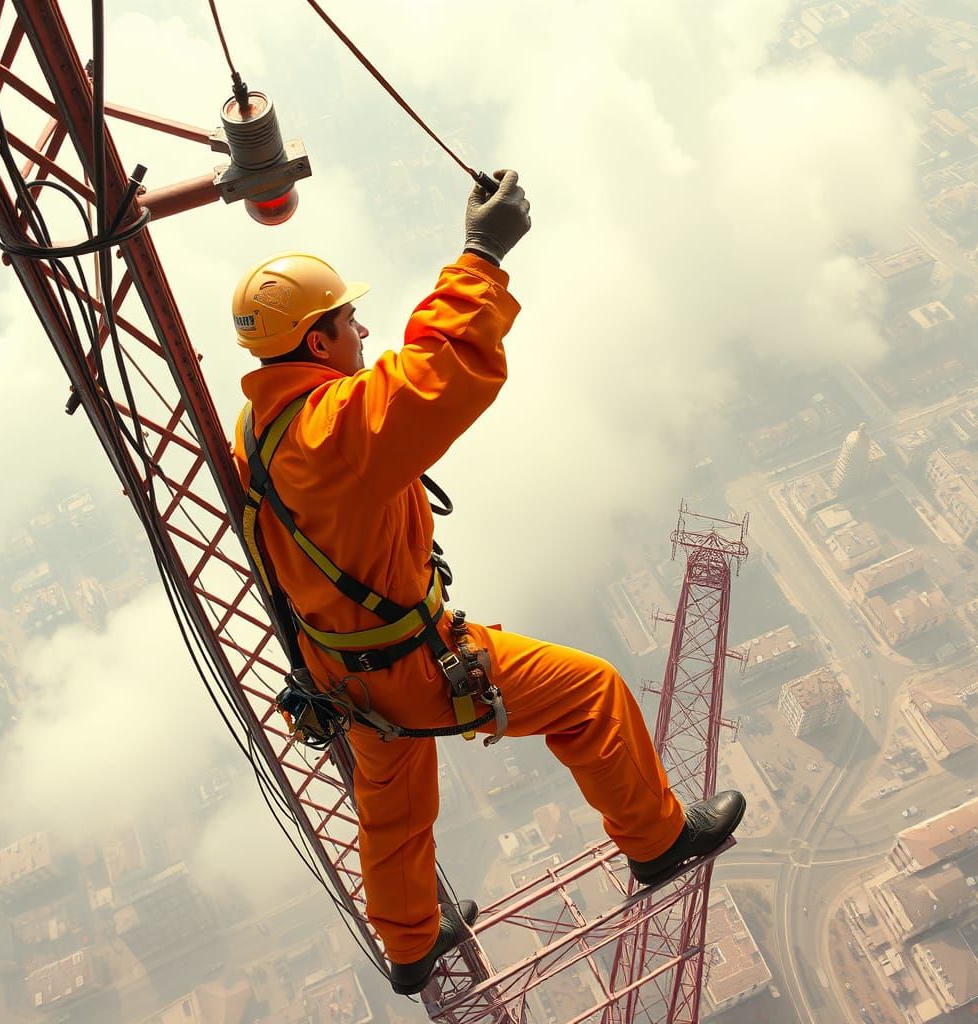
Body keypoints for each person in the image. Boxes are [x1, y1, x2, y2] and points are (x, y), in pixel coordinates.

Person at [230, 170, 745, 995]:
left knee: (393, 808)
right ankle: (657, 842)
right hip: (411, 665)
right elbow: (441, 373)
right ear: (318, 343)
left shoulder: (263, 422)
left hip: (339, 671)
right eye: (347, 320)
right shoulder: (335, 431)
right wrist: (482, 254)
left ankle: (409, 948)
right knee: (592, 693)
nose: (363, 327)